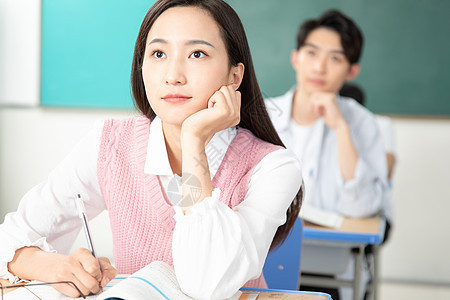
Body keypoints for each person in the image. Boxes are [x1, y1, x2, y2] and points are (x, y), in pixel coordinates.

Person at [0, 0, 303, 299]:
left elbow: (205, 284)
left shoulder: (273, 166)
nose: (173, 75)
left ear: (234, 76)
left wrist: (193, 140)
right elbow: (11, 235)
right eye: (158, 53)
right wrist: (56, 266)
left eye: (197, 54)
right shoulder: (112, 143)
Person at [264, 10, 387, 300]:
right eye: (311, 53)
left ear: (351, 71)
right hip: (265, 257)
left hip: (330, 266)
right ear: (296, 58)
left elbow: (362, 207)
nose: (319, 67)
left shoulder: (361, 122)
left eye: (335, 58)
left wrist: (340, 128)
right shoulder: (265, 115)